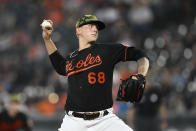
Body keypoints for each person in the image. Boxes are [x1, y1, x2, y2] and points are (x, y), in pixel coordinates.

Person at [41, 14, 149, 131]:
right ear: (78, 30)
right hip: (74, 122)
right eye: (90, 26)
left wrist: (141, 74)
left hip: (105, 120)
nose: (95, 29)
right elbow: (59, 66)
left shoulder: (107, 50)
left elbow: (141, 55)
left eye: (96, 27)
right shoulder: (71, 58)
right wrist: (47, 39)